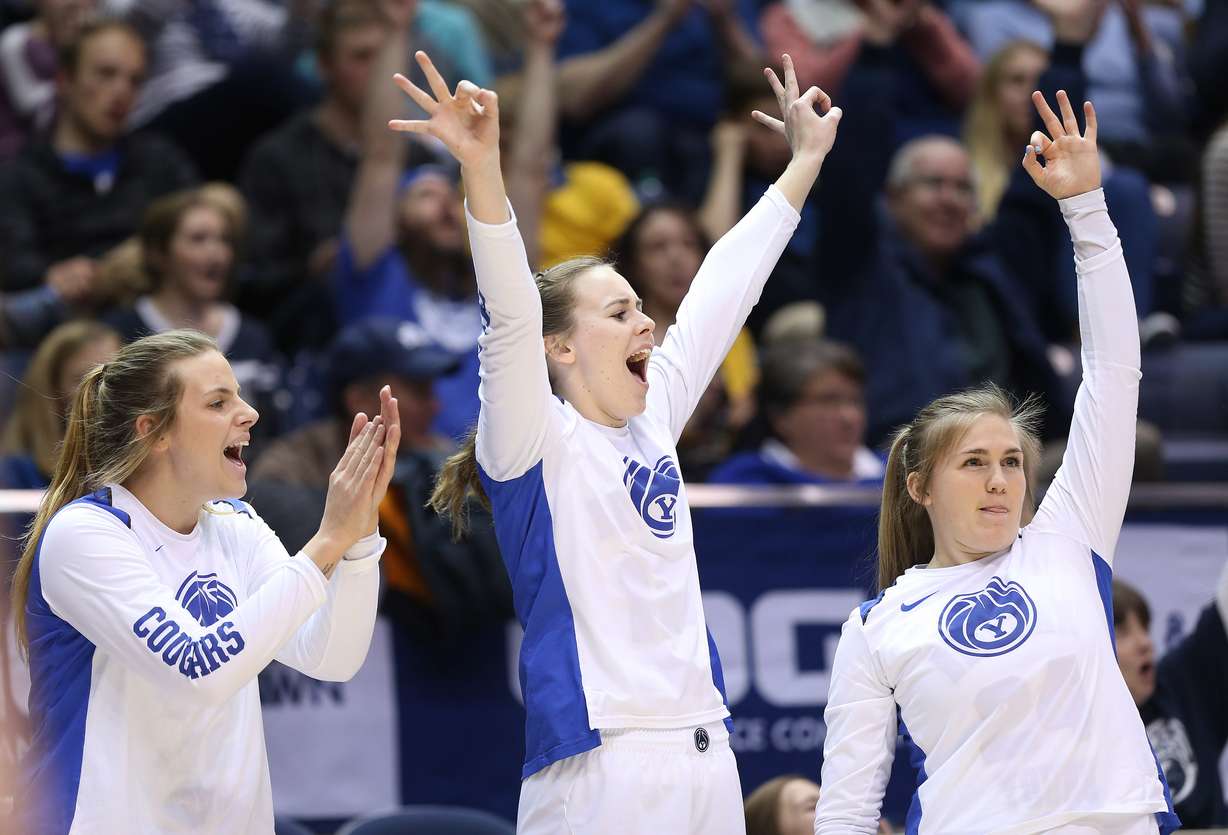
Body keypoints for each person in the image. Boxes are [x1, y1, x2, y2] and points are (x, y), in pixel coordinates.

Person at [397, 48, 840, 831]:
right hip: (600, 760)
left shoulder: (654, 416)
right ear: (559, 346)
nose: (646, 321)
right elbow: (509, 309)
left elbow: (720, 292)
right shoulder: (533, 442)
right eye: (619, 312)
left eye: (641, 307)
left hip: (705, 745)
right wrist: (481, 169)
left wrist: (802, 165)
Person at [814, 91, 1178, 834]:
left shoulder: (1068, 542)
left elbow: (1113, 373)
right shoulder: (879, 624)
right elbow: (847, 808)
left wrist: (1086, 208)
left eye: (1012, 461)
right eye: (973, 462)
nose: (1000, 480)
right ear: (919, 486)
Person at [11, 328, 400, 832]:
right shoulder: (85, 536)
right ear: (154, 432)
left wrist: (361, 538)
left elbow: (331, 656)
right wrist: (327, 540)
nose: (249, 412)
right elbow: (197, 672)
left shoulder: (233, 524)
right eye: (218, 402)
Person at [0, 18, 197, 295]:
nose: (121, 92)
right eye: (106, 74)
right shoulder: (20, 178)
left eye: (134, 80)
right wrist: (52, 277)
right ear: (64, 81)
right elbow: (15, 265)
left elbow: (198, 222)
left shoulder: (160, 162)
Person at [102, 185, 283, 437]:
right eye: (198, 239)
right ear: (158, 253)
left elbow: (273, 428)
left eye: (224, 240)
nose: (216, 254)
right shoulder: (122, 333)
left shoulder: (254, 336)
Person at [1113, 566, 1228, 828]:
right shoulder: (1071, 731)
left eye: (1144, 627)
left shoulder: (1179, 686)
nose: (1145, 643)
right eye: (1122, 633)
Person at [710, 339, 882, 486]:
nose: (850, 417)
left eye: (856, 401)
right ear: (781, 417)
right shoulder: (742, 484)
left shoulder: (898, 477)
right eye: (828, 401)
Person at [0, 320, 121, 491]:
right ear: (52, 389)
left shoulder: (145, 464)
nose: (100, 388)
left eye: (112, 375)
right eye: (82, 378)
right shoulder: (16, 473)